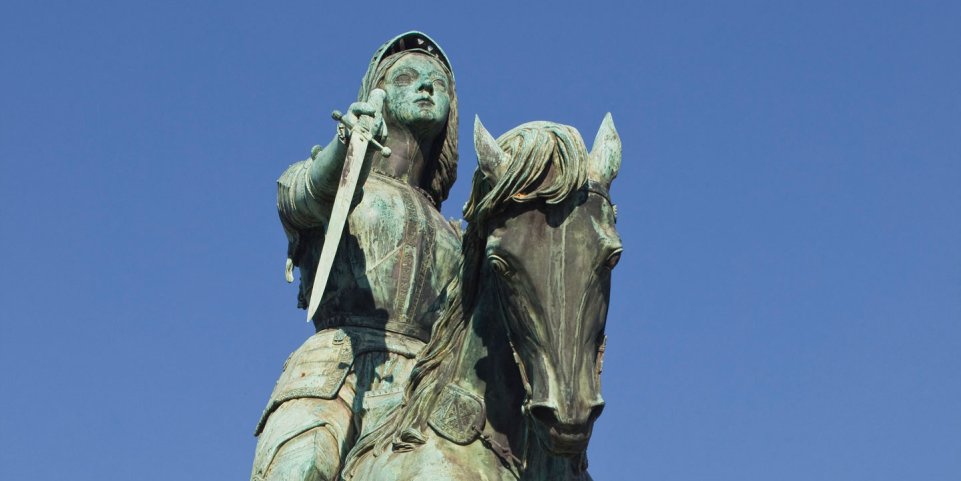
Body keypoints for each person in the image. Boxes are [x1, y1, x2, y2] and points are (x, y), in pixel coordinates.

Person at [250, 32, 461, 481]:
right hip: (334, 375)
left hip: (427, 389)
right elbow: (301, 197)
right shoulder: (342, 184)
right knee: (302, 468)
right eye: (407, 77)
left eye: (438, 83)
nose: (425, 87)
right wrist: (347, 148)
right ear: (377, 96)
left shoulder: (456, 234)